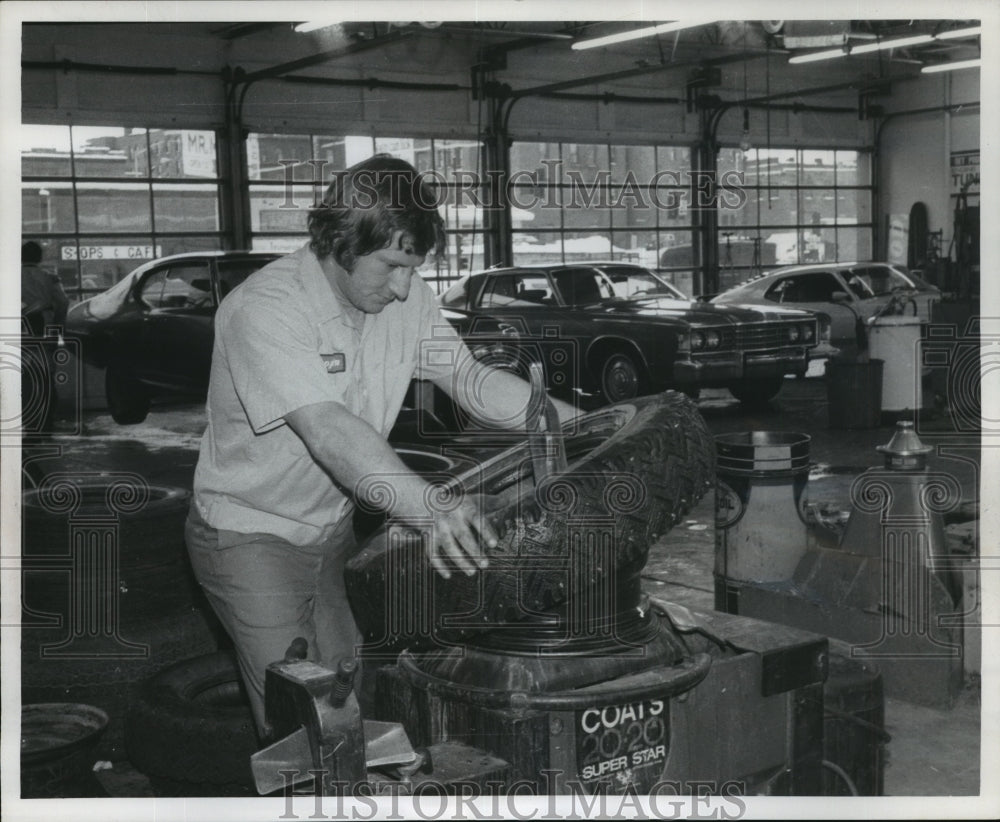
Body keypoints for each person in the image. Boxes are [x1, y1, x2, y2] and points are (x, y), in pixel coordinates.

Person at [186, 154, 577, 739]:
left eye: (412, 267)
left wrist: (585, 427)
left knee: (350, 689)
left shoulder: (408, 297)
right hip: (251, 534)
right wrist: (432, 508)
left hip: (330, 530)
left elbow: (472, 382)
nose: (402, 287)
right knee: (305, 719)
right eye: (392, 265)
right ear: (342, 240)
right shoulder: (264, 310)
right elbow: (328, 428)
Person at [20, 241, 69, 433]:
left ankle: (28, 421)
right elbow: (63, 303)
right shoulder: (49, 278)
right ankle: (46, 421)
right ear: (39, 257)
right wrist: (59, 329)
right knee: (46, 375)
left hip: (20, 328)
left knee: (23, 374)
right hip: (45, 327)